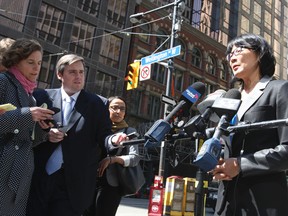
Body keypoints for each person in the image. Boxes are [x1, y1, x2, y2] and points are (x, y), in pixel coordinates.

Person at [27, 54, 128, 216]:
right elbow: (27, 132)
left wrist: (114, 140)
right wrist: (46, 135)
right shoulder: (41, 97)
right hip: (39, 179)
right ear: (60, 75)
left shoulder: (98, 103)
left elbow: (105, 136)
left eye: (81, 72)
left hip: (74, 186)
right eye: (73, 72)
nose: (78, 76)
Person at [212, 33, 288, 216]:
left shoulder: (279, 89)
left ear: (260, 54)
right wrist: (219, 164)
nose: (232, 57)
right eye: (230, 53)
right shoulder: (230, 98)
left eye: (239, 49)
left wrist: (240, 165)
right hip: (226, 203)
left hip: (264, 202)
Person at [0, 38, 55, 216]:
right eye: (30, 62)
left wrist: (43, 129)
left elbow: (28, 141)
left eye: (39, 63)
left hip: (20, 171)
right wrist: (25, 115)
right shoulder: (3, 81)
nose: (36, 68)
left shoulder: (30, 94)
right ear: (16, 61)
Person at [84, 96, 141, 216]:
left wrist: (114, 159)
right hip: (88, 180)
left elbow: (135, 157)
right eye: (114, 108)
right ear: (106, 109)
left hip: (111, 184)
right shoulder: (97, 127)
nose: (118, 111)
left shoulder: (129, 132)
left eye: (122, 109)